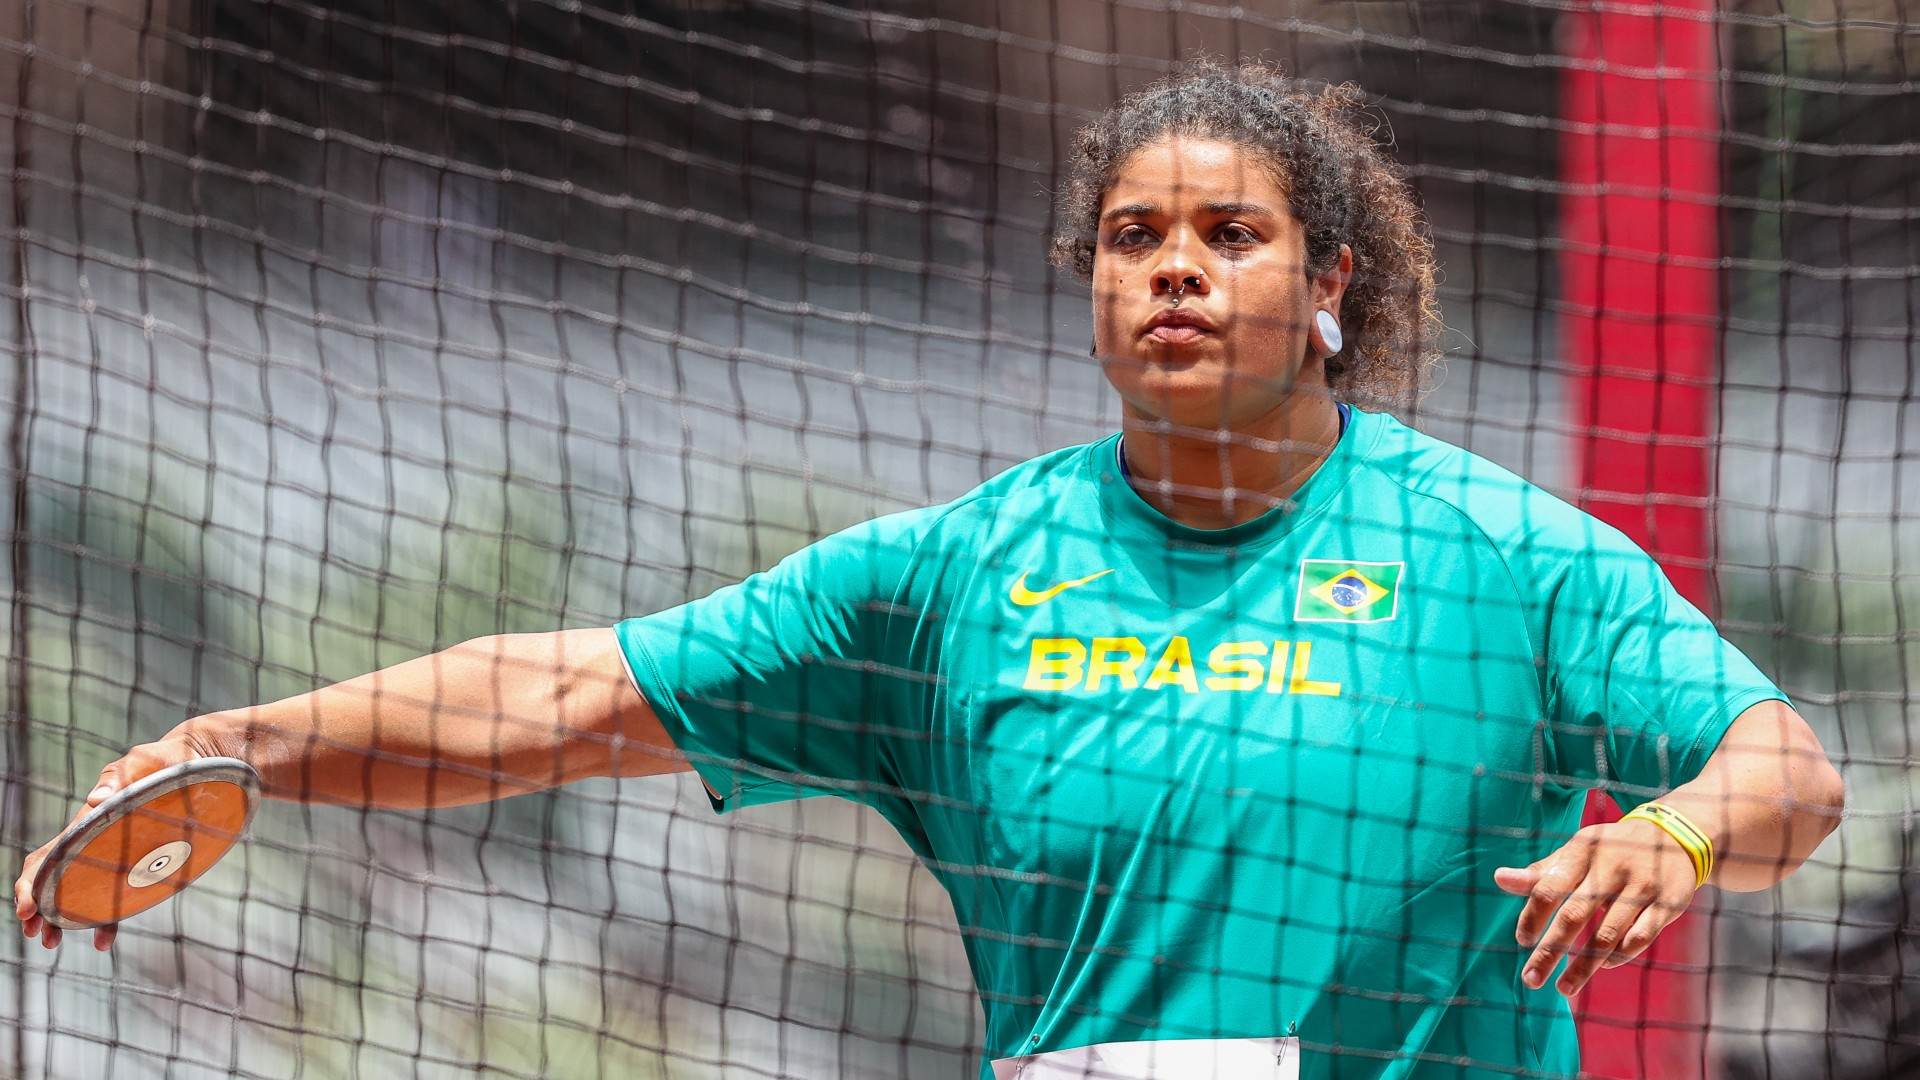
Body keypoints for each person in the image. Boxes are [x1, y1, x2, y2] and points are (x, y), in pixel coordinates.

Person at [16, 61, 1844, 1079]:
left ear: (1334, 287)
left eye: (1233, 234)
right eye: (1134, 237)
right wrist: (254, 739)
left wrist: (1673, 834)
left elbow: (1787, 770)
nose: (1177, 270)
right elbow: (568, 696)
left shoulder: (1503, 557)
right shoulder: (961, 574)